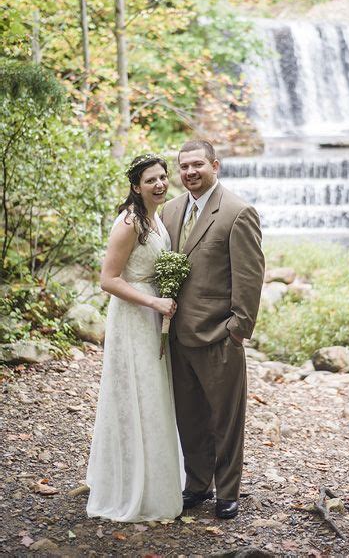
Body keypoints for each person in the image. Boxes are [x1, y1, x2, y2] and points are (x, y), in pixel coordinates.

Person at [160, 140, 265, 520]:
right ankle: (198, 484)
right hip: (176, 336)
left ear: (215, 166)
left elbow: (250, 278)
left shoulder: (238, 212)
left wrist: (238, 328)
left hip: (219, 336)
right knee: (188, 416)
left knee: (226, 419)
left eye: (197, 165)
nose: (190, 172)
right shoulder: (170, 211)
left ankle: (228, 492)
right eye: (184, 166)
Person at [86, 154, 183, 522]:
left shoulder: (156, 217)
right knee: (135, 394)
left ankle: (156, 477)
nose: (159, 184)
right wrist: (153, 300)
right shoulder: (129, 222)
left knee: (154, 395)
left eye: (162, 177)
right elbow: (108, 279)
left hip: (152, 314)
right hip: (133, 316)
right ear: (135, 186)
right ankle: (129, 485)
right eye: (150, 180)